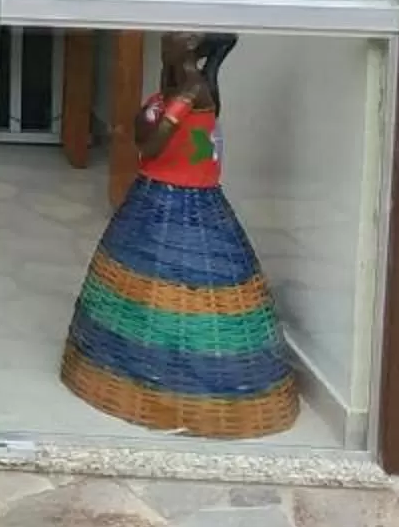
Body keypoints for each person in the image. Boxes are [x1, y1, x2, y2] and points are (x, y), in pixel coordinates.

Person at [59, 30, 297, 438]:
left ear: (188, 50)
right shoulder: (176, 86)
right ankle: (128, 374)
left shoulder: (191, 89)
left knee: (187, 291)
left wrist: (149, 119)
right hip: (157, 190)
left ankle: (183, 392)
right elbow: (145, 136)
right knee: (141, 289)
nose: (166, 42)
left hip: (184, 195)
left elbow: (150, 145)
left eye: (175, 41)